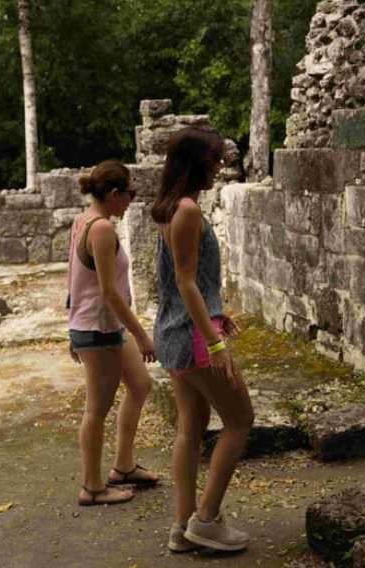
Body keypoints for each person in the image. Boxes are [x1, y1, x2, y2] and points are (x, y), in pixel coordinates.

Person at [152, 128, 254, 552]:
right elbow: (186, 281)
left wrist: (214, 311)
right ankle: (207, 519)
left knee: (190, 429)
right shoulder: (189, 210)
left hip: (171, 333)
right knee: (240, 421)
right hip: (193, 338)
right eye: (214, 160)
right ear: (197, 163)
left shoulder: (169, 209)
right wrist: (214, 341)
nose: (220, 167)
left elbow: (186, 284)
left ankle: (182, 526)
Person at [68, 160, 159, 506]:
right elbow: (109, 292)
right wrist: (142, 335)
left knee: (140, 385)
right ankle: (92, 487)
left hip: (99, 326)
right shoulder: (101, 229)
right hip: (98, 329)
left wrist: (70, 327)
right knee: (96, 409)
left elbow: (74, 279)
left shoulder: (84, 219)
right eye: (130, 194)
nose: (132, 201)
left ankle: (123, 466)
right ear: (114, 194)